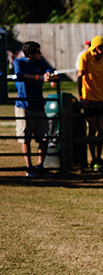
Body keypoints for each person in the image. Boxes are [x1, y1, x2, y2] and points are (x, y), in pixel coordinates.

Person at [13, 41, 58, 177]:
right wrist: (39, 78)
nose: (41, 54)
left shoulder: (40, 62)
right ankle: (29, 167)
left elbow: (49, 69)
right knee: (25, 138)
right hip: (24, 105)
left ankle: (40, 166)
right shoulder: (18, 62)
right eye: (38, 52)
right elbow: (20, 75)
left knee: (44, 137)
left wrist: (49, 75)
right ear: (30, 54)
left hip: (39, 105)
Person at [77, 35, 103, 171]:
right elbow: (80, 76)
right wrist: (81, 96)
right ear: (98, 48)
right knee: (93, 127)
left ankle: (99, 157)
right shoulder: (85, 57)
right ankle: (93, 158)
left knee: (102, 128)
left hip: (102, 98)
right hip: (89, 98)